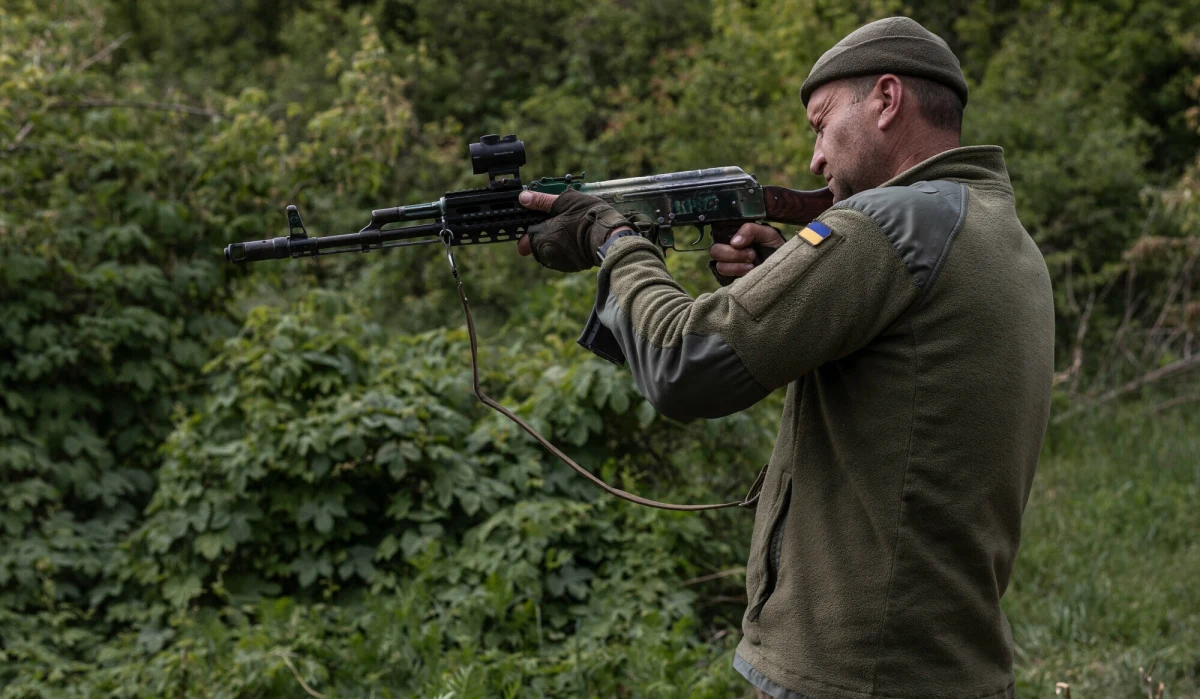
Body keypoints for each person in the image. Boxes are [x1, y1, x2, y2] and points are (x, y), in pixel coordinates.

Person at [516, 16, 1053, 699]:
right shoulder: (997, 231)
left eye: (822, 124)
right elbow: (905, 383)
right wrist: (777, 283)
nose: (815, 160)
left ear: (887, 101)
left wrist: (612, 238)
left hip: (850, 674)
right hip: (946, 663)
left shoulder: (888, 223)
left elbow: (687, 362)